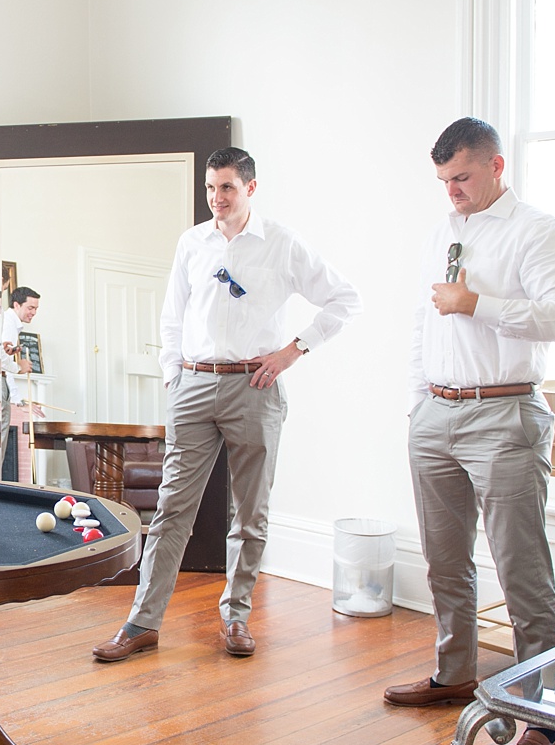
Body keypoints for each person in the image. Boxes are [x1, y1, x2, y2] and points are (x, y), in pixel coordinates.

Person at [93, 147, 360, 663]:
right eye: (211, 188)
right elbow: (172, 317)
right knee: (172, 510)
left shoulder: (282, 244)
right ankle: (141, 623)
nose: (217, 198)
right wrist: (174, 376)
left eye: (228, 188)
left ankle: (235, 617)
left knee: (251, 515)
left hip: (254, 390)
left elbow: (345, 299)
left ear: (250, 189)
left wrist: (291, 352)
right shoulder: (192, 243)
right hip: (193, 385)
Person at [383, 116, 555, 745]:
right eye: (444, 180)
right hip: (436, 413)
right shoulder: (443, 230)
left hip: (505, 413)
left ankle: (548, 717)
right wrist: (419, 401)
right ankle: (455, 674)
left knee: (521, 568)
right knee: (445, 561)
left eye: (462, 177)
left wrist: (478, 304)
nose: (452, 192)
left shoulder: (540, 231)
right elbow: (420, 319)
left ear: (498, 166)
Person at [0, 286, 41, 481]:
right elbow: (1, 357)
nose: (33, 313)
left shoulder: (11, 323)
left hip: (4, 383)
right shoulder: (7, 321)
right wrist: (19, 367)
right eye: (30, 307)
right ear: (16, 304)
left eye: (36, 309)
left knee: (2, 441)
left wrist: (18, 400)